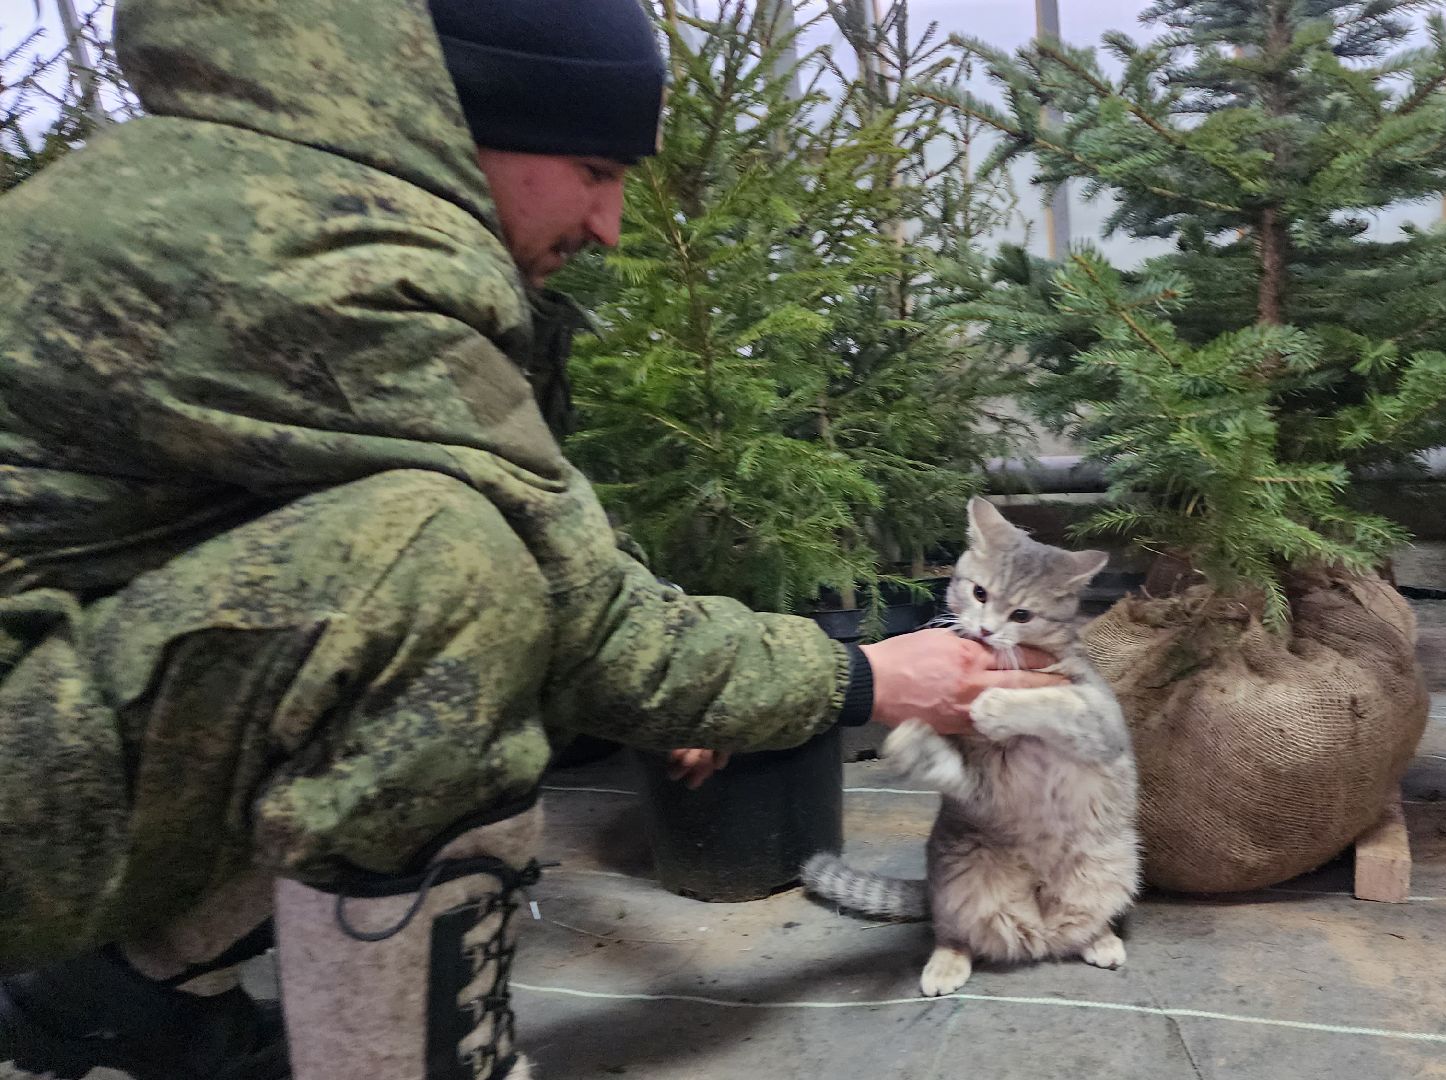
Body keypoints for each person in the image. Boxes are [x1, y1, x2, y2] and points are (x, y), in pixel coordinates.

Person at [0, 0, 1063, 1078]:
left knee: (474, 586)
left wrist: (700, 686)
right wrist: (863, 678)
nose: (610, 225)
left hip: (54, 704)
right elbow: (564, 607)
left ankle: (125, 989)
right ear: (474, 124)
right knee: (447, 577)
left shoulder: (270, 181)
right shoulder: (322, 252)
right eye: (593, 171)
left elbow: (548, 536)